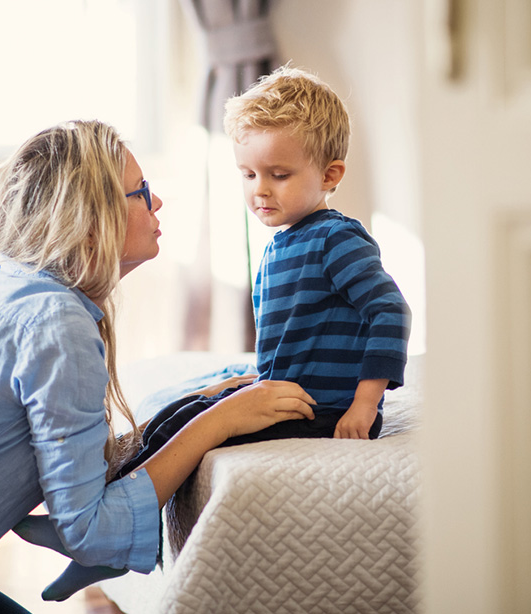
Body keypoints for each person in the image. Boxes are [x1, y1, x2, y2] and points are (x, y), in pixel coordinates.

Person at [27, 65, 412, 600]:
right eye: (249, 174)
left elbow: (389, 312)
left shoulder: (335, 239)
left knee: (197, 434)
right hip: (289, 391)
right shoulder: (284, 242)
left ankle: (103, 547)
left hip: (323, 409)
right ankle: (95, 521)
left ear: (330, 175)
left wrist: (365, 405)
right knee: (178, 413)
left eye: (279, 174)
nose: (260, 191)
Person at [0, 120, 316, 613]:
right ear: (91, 220)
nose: (157, 204)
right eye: (142, 192)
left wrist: (195, 408)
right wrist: (224, 420)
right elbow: (88, 529)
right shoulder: (57, 322)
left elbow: (73, 456)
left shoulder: (2, 282)